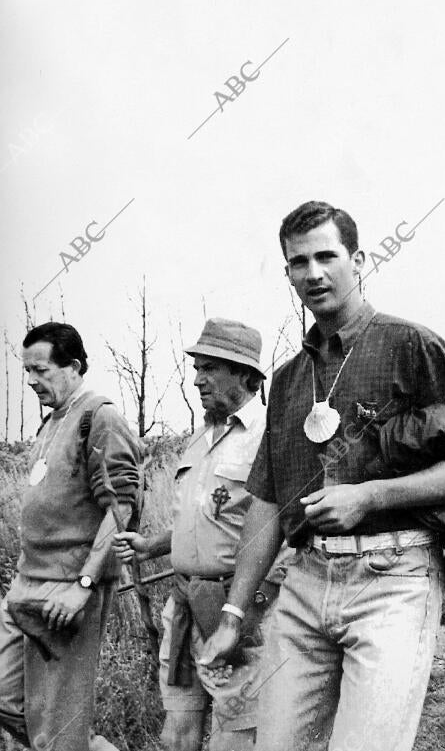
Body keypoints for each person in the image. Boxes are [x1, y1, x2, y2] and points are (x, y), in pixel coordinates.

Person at [198, 200, 445, 751]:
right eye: (299, 262)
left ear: (360, 260)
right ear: (288, 274)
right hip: (304, 581)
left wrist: (370, 495)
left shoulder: (412, 346)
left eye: (327, 256)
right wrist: (233, 614)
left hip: (393, 578)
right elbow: (267, 504)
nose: (314, 273)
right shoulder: (289, 377)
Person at [113, 318, 288, 751]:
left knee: (236, 734)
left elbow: (289, 529)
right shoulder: (198, 440)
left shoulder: (271, 436)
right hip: (183, 604)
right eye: (196, 368)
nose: (197, 379)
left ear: (246, 375)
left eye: (209, 367)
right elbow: (208, 522)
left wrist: (251, 604)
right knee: (177, 732)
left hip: (236, 610)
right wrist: (152, 544)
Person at [0, 322, 142, 751]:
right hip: (27, 583)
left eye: (41, 370)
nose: (31, 381)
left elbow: (123, 509)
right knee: (8, 698)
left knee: (57, 725)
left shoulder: (100, 418)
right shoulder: (51, 423)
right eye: (26, 371)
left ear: (74, 366)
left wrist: (83, 586)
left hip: (68, 588)